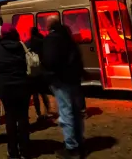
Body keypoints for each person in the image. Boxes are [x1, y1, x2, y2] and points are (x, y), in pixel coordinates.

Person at [42, 15, 85, 158]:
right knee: (75, 112)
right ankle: (79, 142)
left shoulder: (51, 39)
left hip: (61, 80)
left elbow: (49, 60)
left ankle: (72, 148)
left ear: (49, 26)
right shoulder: (68, 37)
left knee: (66, 112)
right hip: (73, 79)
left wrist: (48, 74)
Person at [0, 24, 30, 159]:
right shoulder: (21, 46)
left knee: (10, 118)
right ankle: (25, 149)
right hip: (22, 85)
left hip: (5, 88)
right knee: (23, 118)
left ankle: (12, 151)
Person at [26, 26, 51, 121]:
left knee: (35, 94)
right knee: (43, 92)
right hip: (42, 70)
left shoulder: (28, 42)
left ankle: (38, 113)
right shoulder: (43, 41)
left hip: (33, 71)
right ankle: (47, 111)